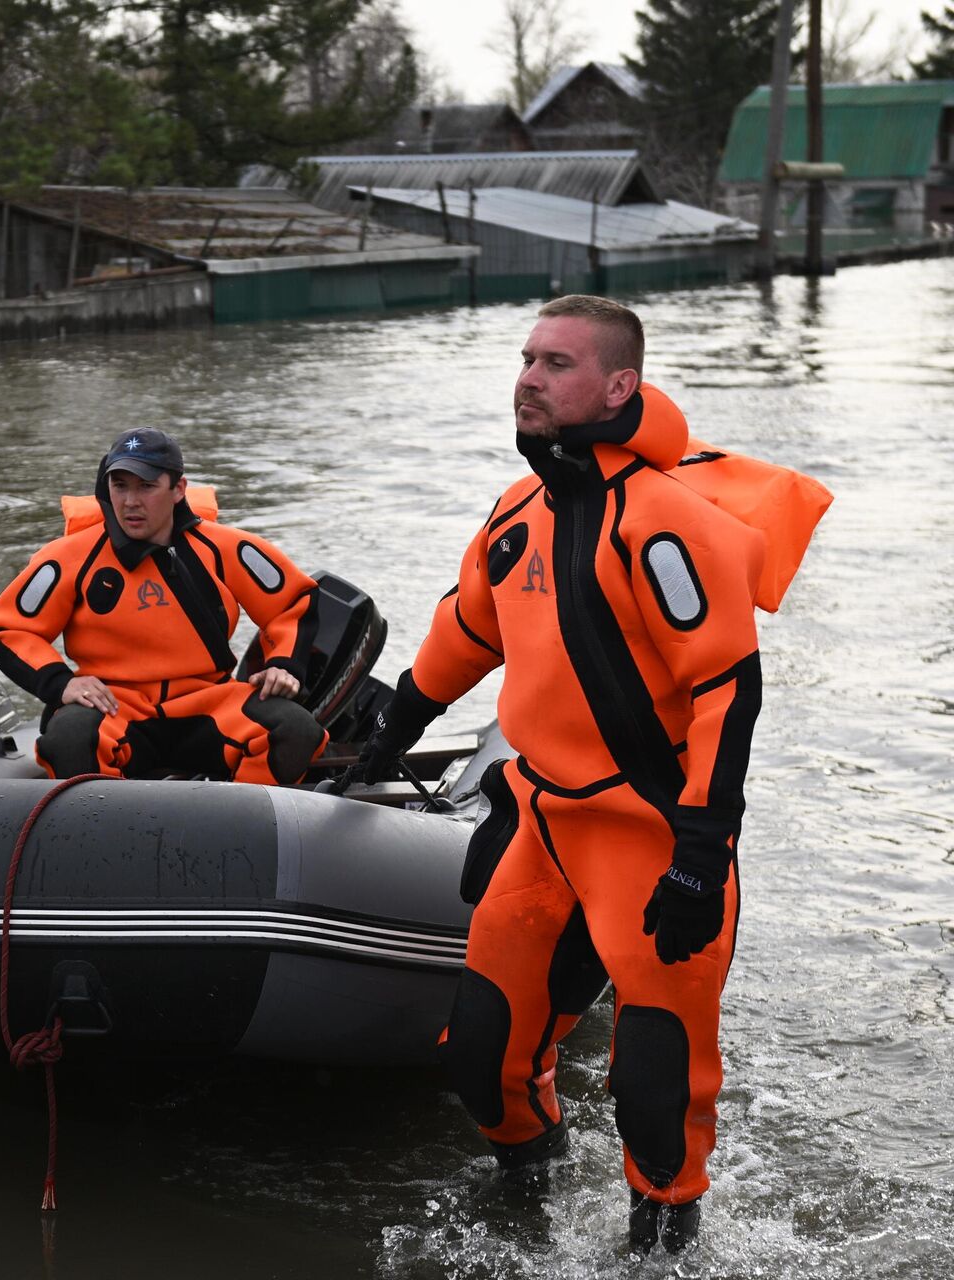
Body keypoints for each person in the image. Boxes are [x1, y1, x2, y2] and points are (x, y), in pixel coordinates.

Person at [359, 296, 767, 1255]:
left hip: (655, 836)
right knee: (484, 1063)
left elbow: (727, 693)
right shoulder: (517, 511)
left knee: (655, 1089)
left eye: (558, 364)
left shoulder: (665, 522)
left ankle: (661, 1252)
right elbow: (470, 631)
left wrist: (703, 852)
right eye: (528, 359)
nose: (530, 379)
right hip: (541, 825)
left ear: (619, 386)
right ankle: (529, 1224)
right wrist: (397, 723)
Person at [0, 427, 327, 786]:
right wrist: (60, 683)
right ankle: (106, 833)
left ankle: (241, 824)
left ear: (178, 489)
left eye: (146, 487)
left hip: (209, 702)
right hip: (116, 706)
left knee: (296, 730)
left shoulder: (225, 548)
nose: (131, 501)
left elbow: (293, 602)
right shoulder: (69, 556)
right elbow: (8, 629)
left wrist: (284, 664)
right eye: (120, 486)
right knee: (70, 738)